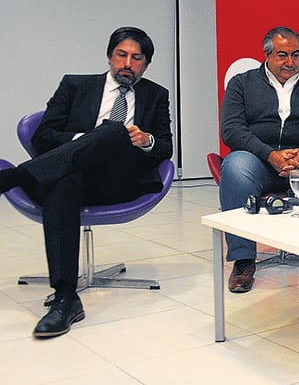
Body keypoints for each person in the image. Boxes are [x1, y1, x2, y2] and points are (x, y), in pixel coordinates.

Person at [0, 26, 173, 338]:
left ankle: (15, 177)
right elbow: (43, 136)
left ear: (146, 65)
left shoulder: (156, 95)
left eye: (137, 58)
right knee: (64, 182)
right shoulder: (75, 85)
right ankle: (65, 299)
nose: (127, 63)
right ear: (109, 56)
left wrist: (146, 140)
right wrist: (88, 141)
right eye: (121, 55)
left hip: (117, 181)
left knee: (116, 131)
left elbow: (165, 146)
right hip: (72, 176)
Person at [219, 26, 299, 292]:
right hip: (260, 162)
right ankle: (243, 259)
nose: (290, 62)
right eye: (282, 55)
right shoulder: (242, 84)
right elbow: (231, 130)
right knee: (235, 166)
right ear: (267, 55)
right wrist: (270, 155)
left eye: (295, 54)